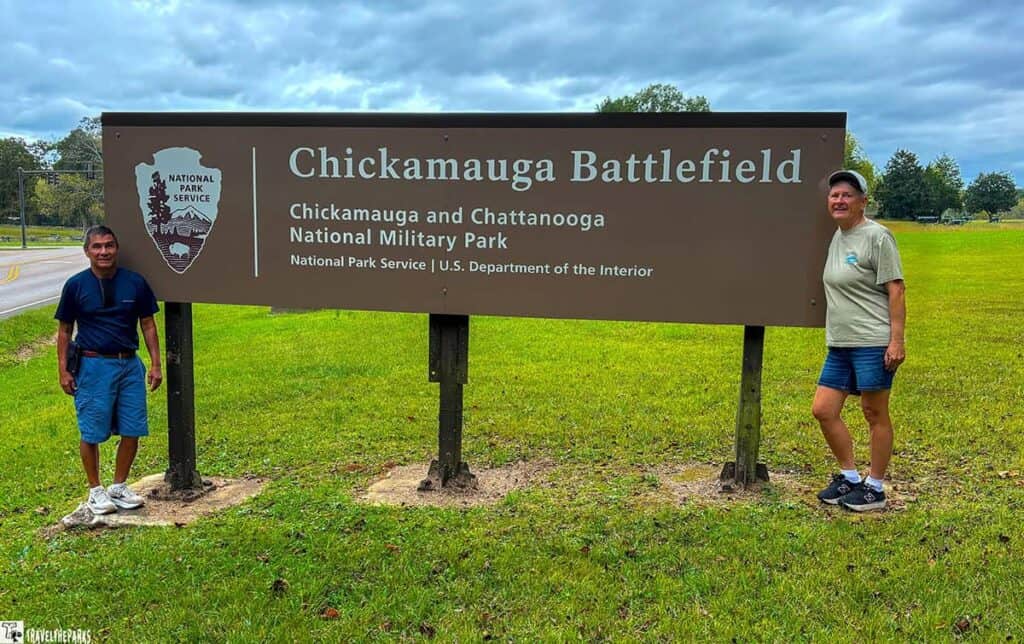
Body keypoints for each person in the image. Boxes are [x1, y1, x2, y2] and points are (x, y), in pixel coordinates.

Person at [813, 170, 906, 512]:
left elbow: (895, 288)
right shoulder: (838, 236)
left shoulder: (877, 237)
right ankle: (850, 477)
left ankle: (875, 487)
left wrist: (897, 341)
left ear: (863, 201)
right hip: (840, 343)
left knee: (874, 411)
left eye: (847, 195)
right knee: (823, 409)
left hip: (872, 340)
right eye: (834, 195)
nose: (839, 200)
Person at [56, 225, 162, 514]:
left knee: (133, 427)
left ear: (116, 248)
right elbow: (65, 331)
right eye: (97, 247)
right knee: (91, 430)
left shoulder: (135, 283)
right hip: (92, 365)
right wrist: (64, 371)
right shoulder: (76, 285)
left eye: (109, 246)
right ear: (87, 251)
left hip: (129, 364)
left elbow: (148, 324)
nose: (104, 252)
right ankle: (95, 490)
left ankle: (118, 487)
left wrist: (155, 364)